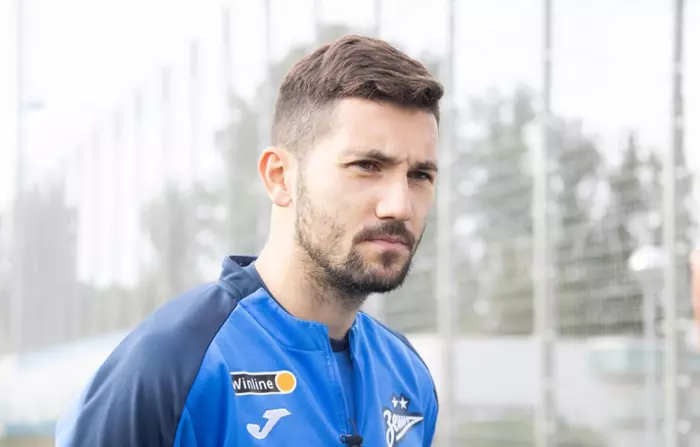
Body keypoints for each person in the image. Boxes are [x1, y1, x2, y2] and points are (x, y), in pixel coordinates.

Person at [56, 34, 444, 446]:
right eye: (366, 165)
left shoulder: (407, 376)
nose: (399, 206)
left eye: (420, 175)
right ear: (280, 177)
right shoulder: (174, 364)